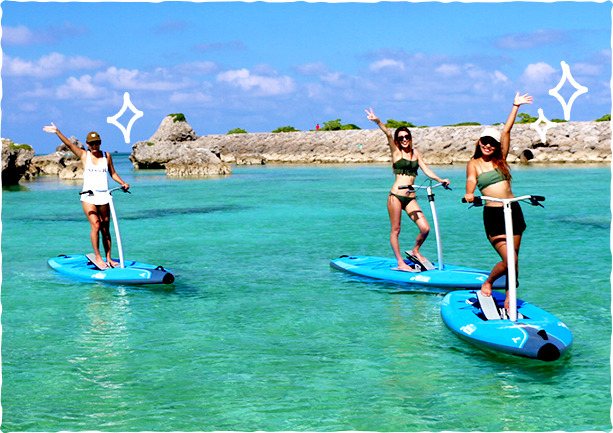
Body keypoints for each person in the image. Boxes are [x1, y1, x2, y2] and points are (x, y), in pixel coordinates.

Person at [463, 92, 533, 310]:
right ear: (479, 142)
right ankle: (489, 281)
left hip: (513, 210)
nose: (488, 145)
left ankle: (510, 297)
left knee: (515, 260)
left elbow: (506, 131)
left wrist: (515, 106)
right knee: (509, 259)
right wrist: (469, 194)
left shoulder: (500, 159)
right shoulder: (474, 163)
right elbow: (471, 180)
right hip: (493, 214)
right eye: (485, 142)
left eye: (492, 143)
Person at [365, 108, 450, 272]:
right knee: (396, 230)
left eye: (406, 137)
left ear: (410, 138)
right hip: (396, 196)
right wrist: (377, 121)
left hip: (410, 198)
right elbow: (388, 133)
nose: (404, 139)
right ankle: (400, 262)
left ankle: (415, 250)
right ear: (398, 140)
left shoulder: (415, 153)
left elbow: (426, 169)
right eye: (401, 138)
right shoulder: (396, 152)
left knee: (425, 228)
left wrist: (440, 180)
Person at [43, 123, 130, 269]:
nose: (95, 146)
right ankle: (98, 257)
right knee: (96, 225)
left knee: (105, 229)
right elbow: (69, 144)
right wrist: (57, 131)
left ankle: (109, 258)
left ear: (100, 143)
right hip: (88, 197)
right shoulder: (84, 155)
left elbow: (113, 173)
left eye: (97, 143)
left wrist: (123, 183)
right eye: (92, 143)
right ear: (88, 144)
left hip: (104, 196)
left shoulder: (107, 156)